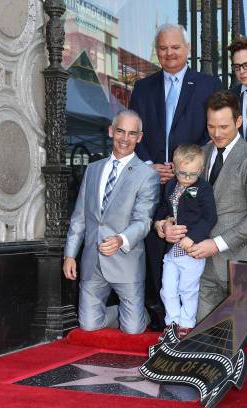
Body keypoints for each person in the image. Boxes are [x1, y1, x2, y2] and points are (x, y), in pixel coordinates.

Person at [128, 23, 221, 328]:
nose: (169, 53)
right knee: (157, 245)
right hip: (153, 181)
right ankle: (162, 318)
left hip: (192, 182)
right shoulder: (143, 88)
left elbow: (214, 134)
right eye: (163, 48)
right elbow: (134, 135)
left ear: (188, 49)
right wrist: (147, 166)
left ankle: (189, 320)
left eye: (175, 47)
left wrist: (189, 168)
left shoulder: (208, 85)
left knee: (188, 250)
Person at [163, 90, 247, 321]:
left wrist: (217, 244)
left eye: (224, 127)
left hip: (239, 261)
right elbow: (175, 199)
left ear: (238, 121)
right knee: (199, 336)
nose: (217, 133)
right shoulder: (199, 153)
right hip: (198, 265)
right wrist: (163, 225)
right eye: (211, 126)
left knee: (238, 341)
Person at [63, 110, 160, 334]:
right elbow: (80, 216)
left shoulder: (147, 175)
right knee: (88, 325)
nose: (125, 138)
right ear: (110, 131)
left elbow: (143, 221)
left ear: (140, 137)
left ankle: (141, 314)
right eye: (120, 131)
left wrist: (120, 239)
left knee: (133, 329)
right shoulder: (92, 170)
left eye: (132, 133)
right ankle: (120, 312)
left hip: (126, 260)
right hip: (92, 260)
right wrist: (70, 255)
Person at [154, 145, 217, 338]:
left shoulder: (203, 188)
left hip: (192, 250)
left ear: (201, 169)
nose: (187, 178)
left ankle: (186, 325)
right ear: (173, 167)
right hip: (172, 250)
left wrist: (193, 237)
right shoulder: (171, 185)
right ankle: (172, 323)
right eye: (182, 173)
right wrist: (163, 221)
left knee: (188, 290)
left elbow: (210, 217)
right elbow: (164, 207)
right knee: (167, 288)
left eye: (192, 174)